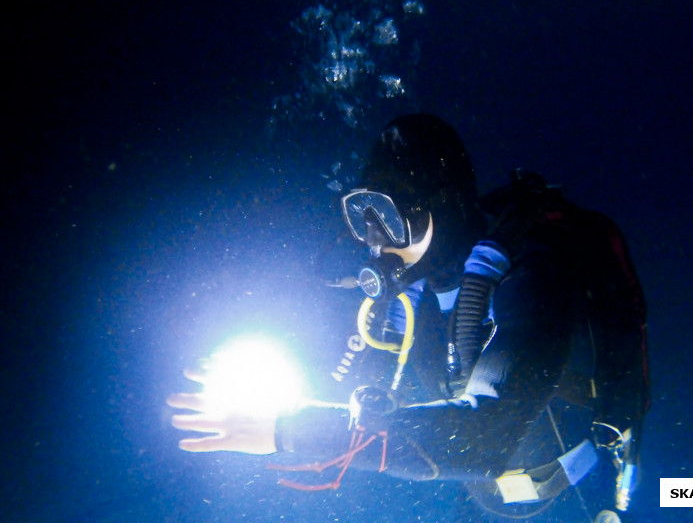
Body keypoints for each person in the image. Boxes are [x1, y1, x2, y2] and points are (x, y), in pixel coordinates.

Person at [168, 114, 649, 522]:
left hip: (568, 505)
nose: (380, 240)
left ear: (447, 206)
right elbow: (355, 387)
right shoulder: (408, 301)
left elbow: (487, 436)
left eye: (395, 216)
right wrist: (256, 394)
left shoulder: (532, 275)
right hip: (473, 497)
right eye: (366, 216)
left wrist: (286, 429)